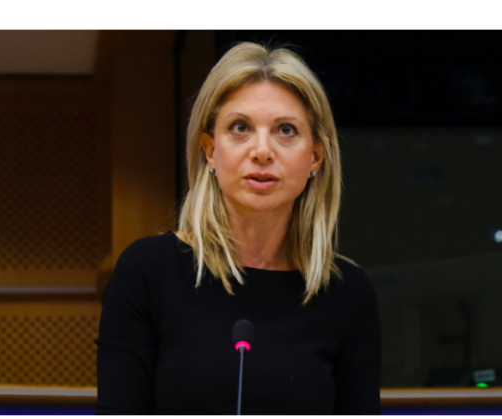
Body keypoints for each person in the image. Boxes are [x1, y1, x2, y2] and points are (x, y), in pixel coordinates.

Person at [95, 41, 381, 415]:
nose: (262, 151)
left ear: (315, 156)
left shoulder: (348, 293)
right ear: (210, 150)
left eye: (286, 130)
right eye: (240, 127)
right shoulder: (147, 272)